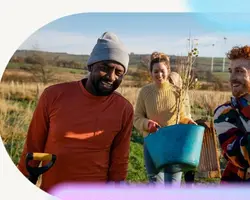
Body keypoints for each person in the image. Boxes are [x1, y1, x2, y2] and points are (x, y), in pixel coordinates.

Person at [17, 32, 134, 192]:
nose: (111, 77)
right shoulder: (53, 95)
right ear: (91, 66)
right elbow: (33, 144)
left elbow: (120, 158)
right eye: (104, 68)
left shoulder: (124, 109)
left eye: (118, 72)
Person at [133, 52, 196, 186]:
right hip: (152, 145)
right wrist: (147, 124)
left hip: (174, 146)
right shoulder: (145, 92)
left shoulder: (178, 92)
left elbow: (182, 117)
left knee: (172, 187)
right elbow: (137, 117)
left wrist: (188, 122)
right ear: (151, 72)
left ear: (168, 71)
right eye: (156, 71)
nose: (159, 74)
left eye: (162, 71)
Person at [213, 45, 250, 183]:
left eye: (239, 71)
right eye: (231, 71)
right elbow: (240, 157)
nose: (232, 78)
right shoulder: (225, 113)